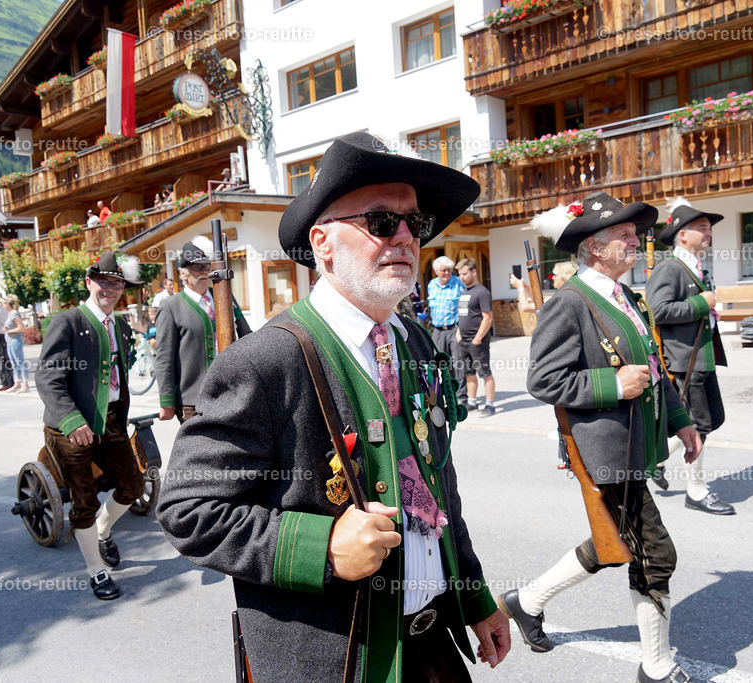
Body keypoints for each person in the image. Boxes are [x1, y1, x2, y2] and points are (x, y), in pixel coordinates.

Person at [157, 132, 510, 681]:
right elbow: (189, 510)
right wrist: (321, 549)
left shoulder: (416, 342)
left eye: (414, 223)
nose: (405, 237)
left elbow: (436, 484)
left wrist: (474, 594)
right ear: (323, 243)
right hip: (339, 661)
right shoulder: (265, 360)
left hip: (432, 645)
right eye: (381, 222)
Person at [498, 192, 700, 683]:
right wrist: (612, 384)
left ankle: (527, 601)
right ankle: (656, 665)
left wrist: (680, 420)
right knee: (655, 554)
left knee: (616, 540)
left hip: (638, 444)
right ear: (593, 247)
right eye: (625, 235)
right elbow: (543, 379)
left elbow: (653, 367)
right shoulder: (570, 303)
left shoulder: (627, 297)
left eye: (635, 233)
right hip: (606, 451)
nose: (636, 242)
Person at [37, 251, 144, 600]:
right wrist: (71, 420)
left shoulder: (121, 326)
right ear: (88, 282)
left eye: (116, 284)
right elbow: (48, 377)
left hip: (110, 421)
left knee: (133, 485)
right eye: (103, 282)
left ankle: (102, 531)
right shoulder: (67, 321)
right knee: (83, 500)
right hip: (71, 427)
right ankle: (96, 570)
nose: (109, 289)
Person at [645, 197, 734, 515]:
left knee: (713, 419)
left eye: (709, 228)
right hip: (685, 360)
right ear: (682, 235)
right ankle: (696, 491)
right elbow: (657, 310)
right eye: (702, 228)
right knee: (699, 425)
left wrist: (706, 309)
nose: (709, 233)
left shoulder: (696, 267)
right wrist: (701, 304)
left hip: (701, 357)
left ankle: (655, 459)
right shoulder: (670, 268)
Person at [155, 237, 251, 423]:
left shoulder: (224, 296)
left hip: (230, 393)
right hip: (192, 399)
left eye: (206, 267)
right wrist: (167, 401)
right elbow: (164, 357)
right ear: (183, 274)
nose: (204, 272)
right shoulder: (171, 306)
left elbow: (246, 335)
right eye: (196, 268)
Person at [455, 258, 496, 416]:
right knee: (469, 372)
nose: (461, 277)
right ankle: (472, 402)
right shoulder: (464, 292)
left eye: (464, 273)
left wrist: (477, 339)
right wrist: (458, 333)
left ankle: (490, 405)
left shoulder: (482, 292)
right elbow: (463, 315)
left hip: (477, 341)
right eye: (459, 274)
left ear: (474, 272)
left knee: (485, 372)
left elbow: (488, 317)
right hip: (463, 341)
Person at [426, 255, 467, 401]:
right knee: (440, 364)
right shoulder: (431, 284)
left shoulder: (458, 283)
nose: (447, 273)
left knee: (457, 364)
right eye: (443, 270)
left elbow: (465, 307)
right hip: (437, 331)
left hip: (454, 329)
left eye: (449, 270)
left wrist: (462, 329)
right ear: (436, 271)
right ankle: (445, 395)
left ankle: (461, 397)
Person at [510, 261, 576, 313]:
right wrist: (528, 290)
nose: (553, 278)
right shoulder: (569, 294)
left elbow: (525, 307)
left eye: (555, 275)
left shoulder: (562, 297)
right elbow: (541, 304)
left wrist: (520, 288)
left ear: (564, 276)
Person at [3, 295, 30, 393]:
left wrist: (8, 331)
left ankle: (25, 384)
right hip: (10, 340)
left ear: (8, 304)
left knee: (20, 362)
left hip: (15, 340)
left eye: (4, 303)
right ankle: (17, 383)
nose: (3, 305)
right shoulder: (10, 313)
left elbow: (21, 328)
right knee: (14, 363)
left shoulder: (14, 314)